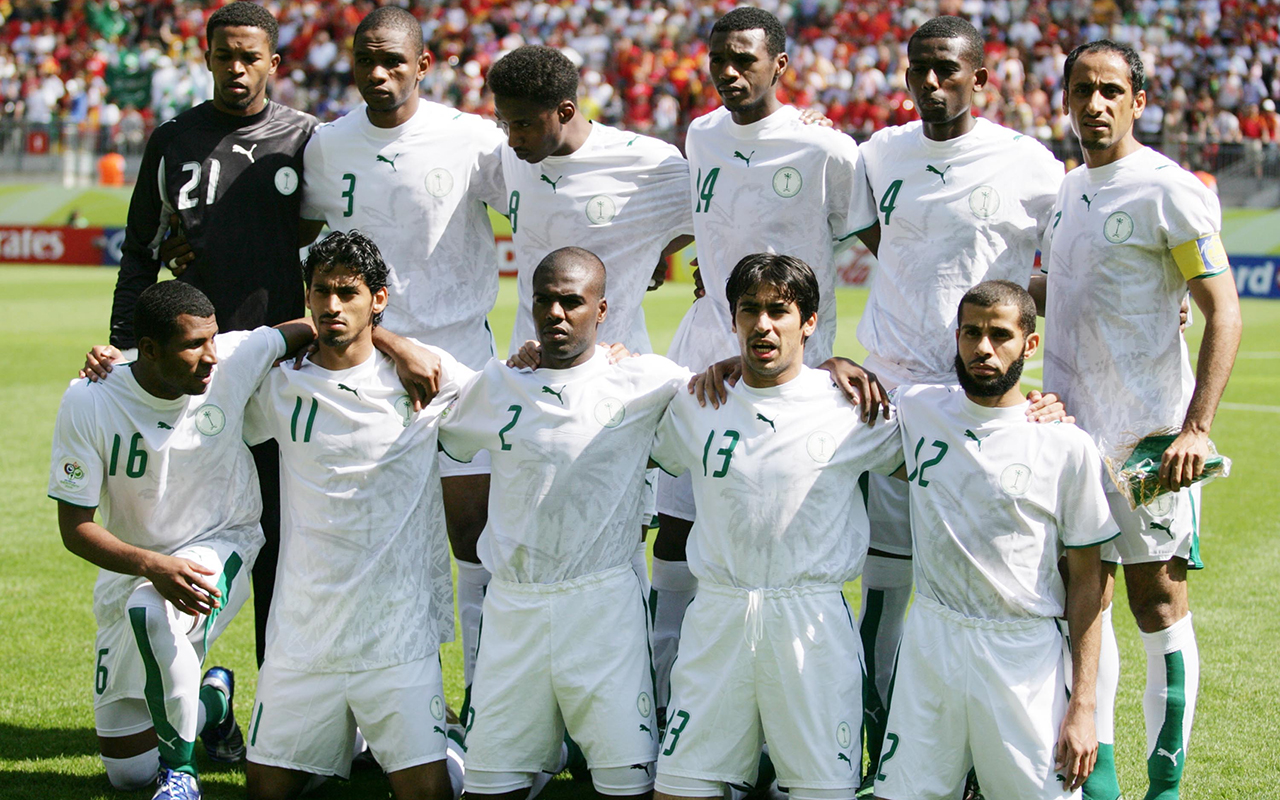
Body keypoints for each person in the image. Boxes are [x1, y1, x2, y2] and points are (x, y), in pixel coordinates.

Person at [850, 16, 1065, 788]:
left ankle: (984, 759)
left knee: (985, 593)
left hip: (984, 406)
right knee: (887, 587)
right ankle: (884, 755)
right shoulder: (879, 154)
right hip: (891, 401)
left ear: (981, 78)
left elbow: (1069, 265)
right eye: (919, 70)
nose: (931, 83)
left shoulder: (1028, 163)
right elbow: (879, 240)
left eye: (947, 69)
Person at [651, 7, 878, 727]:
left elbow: (887, 246)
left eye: (744, 59)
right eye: (718, 59)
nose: (728, 71)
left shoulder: (826, 149)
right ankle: (668, 699)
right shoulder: (701, 134)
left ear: (780, 65)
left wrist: (834, 350)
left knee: (782, 532)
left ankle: (793, 710)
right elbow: (711, 226)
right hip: (706, 356)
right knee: (680, 525)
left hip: (793, 374)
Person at [1036, 40, 1242, 800]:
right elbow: (1056, 295)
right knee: (1082, 600)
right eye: (1082, 90)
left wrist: (1196, 427)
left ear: (1139, 101)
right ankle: (1100, 782)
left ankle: (1165, 786)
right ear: (1065, 99)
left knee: (1155, 601)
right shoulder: (1067, 191)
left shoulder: (1168, 189)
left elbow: (1224, 312)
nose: (1095, 104)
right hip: (1070, 438)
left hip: (1148, 440)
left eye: (1111, 91)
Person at [96, 0, 318, 669]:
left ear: (274, 62)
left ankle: (276, 698)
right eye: (225, 56)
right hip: (196, 373)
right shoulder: (174, 140)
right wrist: (126, 352)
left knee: (283, 539)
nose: (237, 69)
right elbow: (140, 252)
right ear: (208, 59)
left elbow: (334, 244)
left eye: (250, 57)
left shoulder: (308, 139)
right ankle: (187, 690)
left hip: (284, 369)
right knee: (183, 532)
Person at [297, 6, 508, 695]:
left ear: (423, 64)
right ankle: (385, 704)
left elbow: (550, 195)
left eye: (393, 60)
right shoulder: (328, 145)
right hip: (368, 368)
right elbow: (292, 239)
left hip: (461, 358)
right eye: (366, 60)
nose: (379, 73)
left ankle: (484, 700)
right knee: (372, 540)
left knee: (474, 533)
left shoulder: (471, 138)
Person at [438, 247, 691, 800]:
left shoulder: (645, 381)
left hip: (602, 610)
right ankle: (467, 755)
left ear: (602, 311)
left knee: (627, 786)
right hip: (514, 609)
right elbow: (437, 413)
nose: (555, 313)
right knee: (490, 789)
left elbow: (736, 385)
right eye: (544, 300)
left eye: (572, 302)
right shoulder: (501, 383)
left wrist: (832, 370)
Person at [650, 253, 902, 800]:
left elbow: (944, 446)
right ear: (733, 319)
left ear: (808, 322)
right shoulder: (698, 402)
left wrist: (1033, 413)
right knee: (679, 790)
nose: (763, 324)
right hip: (718, 618)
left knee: (820, 791)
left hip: (810, 625)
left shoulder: (850, 406)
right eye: (750, 310)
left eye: (779, 311)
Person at [49, 281, 314, 799]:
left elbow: (312, 325)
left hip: (224, 539)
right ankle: (215, 701)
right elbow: (75, 528)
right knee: (128, 772)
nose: (210, 356)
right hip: (136, 567)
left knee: (152, 610)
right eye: (194, 344)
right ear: (148, 350)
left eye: (212, 338)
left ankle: (182, 776)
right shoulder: (89, 399)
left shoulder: (232, 358)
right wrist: (151, 564)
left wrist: (395, 347)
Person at [241, 231, 468, 800]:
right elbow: (199, 368)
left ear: (378, 299)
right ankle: (337, 744)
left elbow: (514, 396)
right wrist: (118, 363)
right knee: (266, 792)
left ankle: (454, 751)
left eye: (348, 292)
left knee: (428, 795)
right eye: (321, 291)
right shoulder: (282, 384)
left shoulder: (425, 377)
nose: (332, 305)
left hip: (395, 632)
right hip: (303, 632)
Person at [873, 280, 1113, 800]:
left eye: (1000, 335)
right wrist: (831, 366)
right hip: (932, 640)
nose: (983, 347)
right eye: (971, 333)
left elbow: (1090, 583)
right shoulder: (917, 410)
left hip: (1022, 655)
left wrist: (1084, 705)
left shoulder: (1065, 445)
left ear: (1030, 344)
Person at [486, 43, 693, 627]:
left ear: (566, 111)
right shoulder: (509, 159)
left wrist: (651, 252)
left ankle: (628, 669)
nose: (512, 138)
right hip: (531, 376)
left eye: (524, 124)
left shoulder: (648, 163)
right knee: (530, 536)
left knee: (617, 541)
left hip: (618, 385)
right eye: (504, 123)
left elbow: (715, 211)